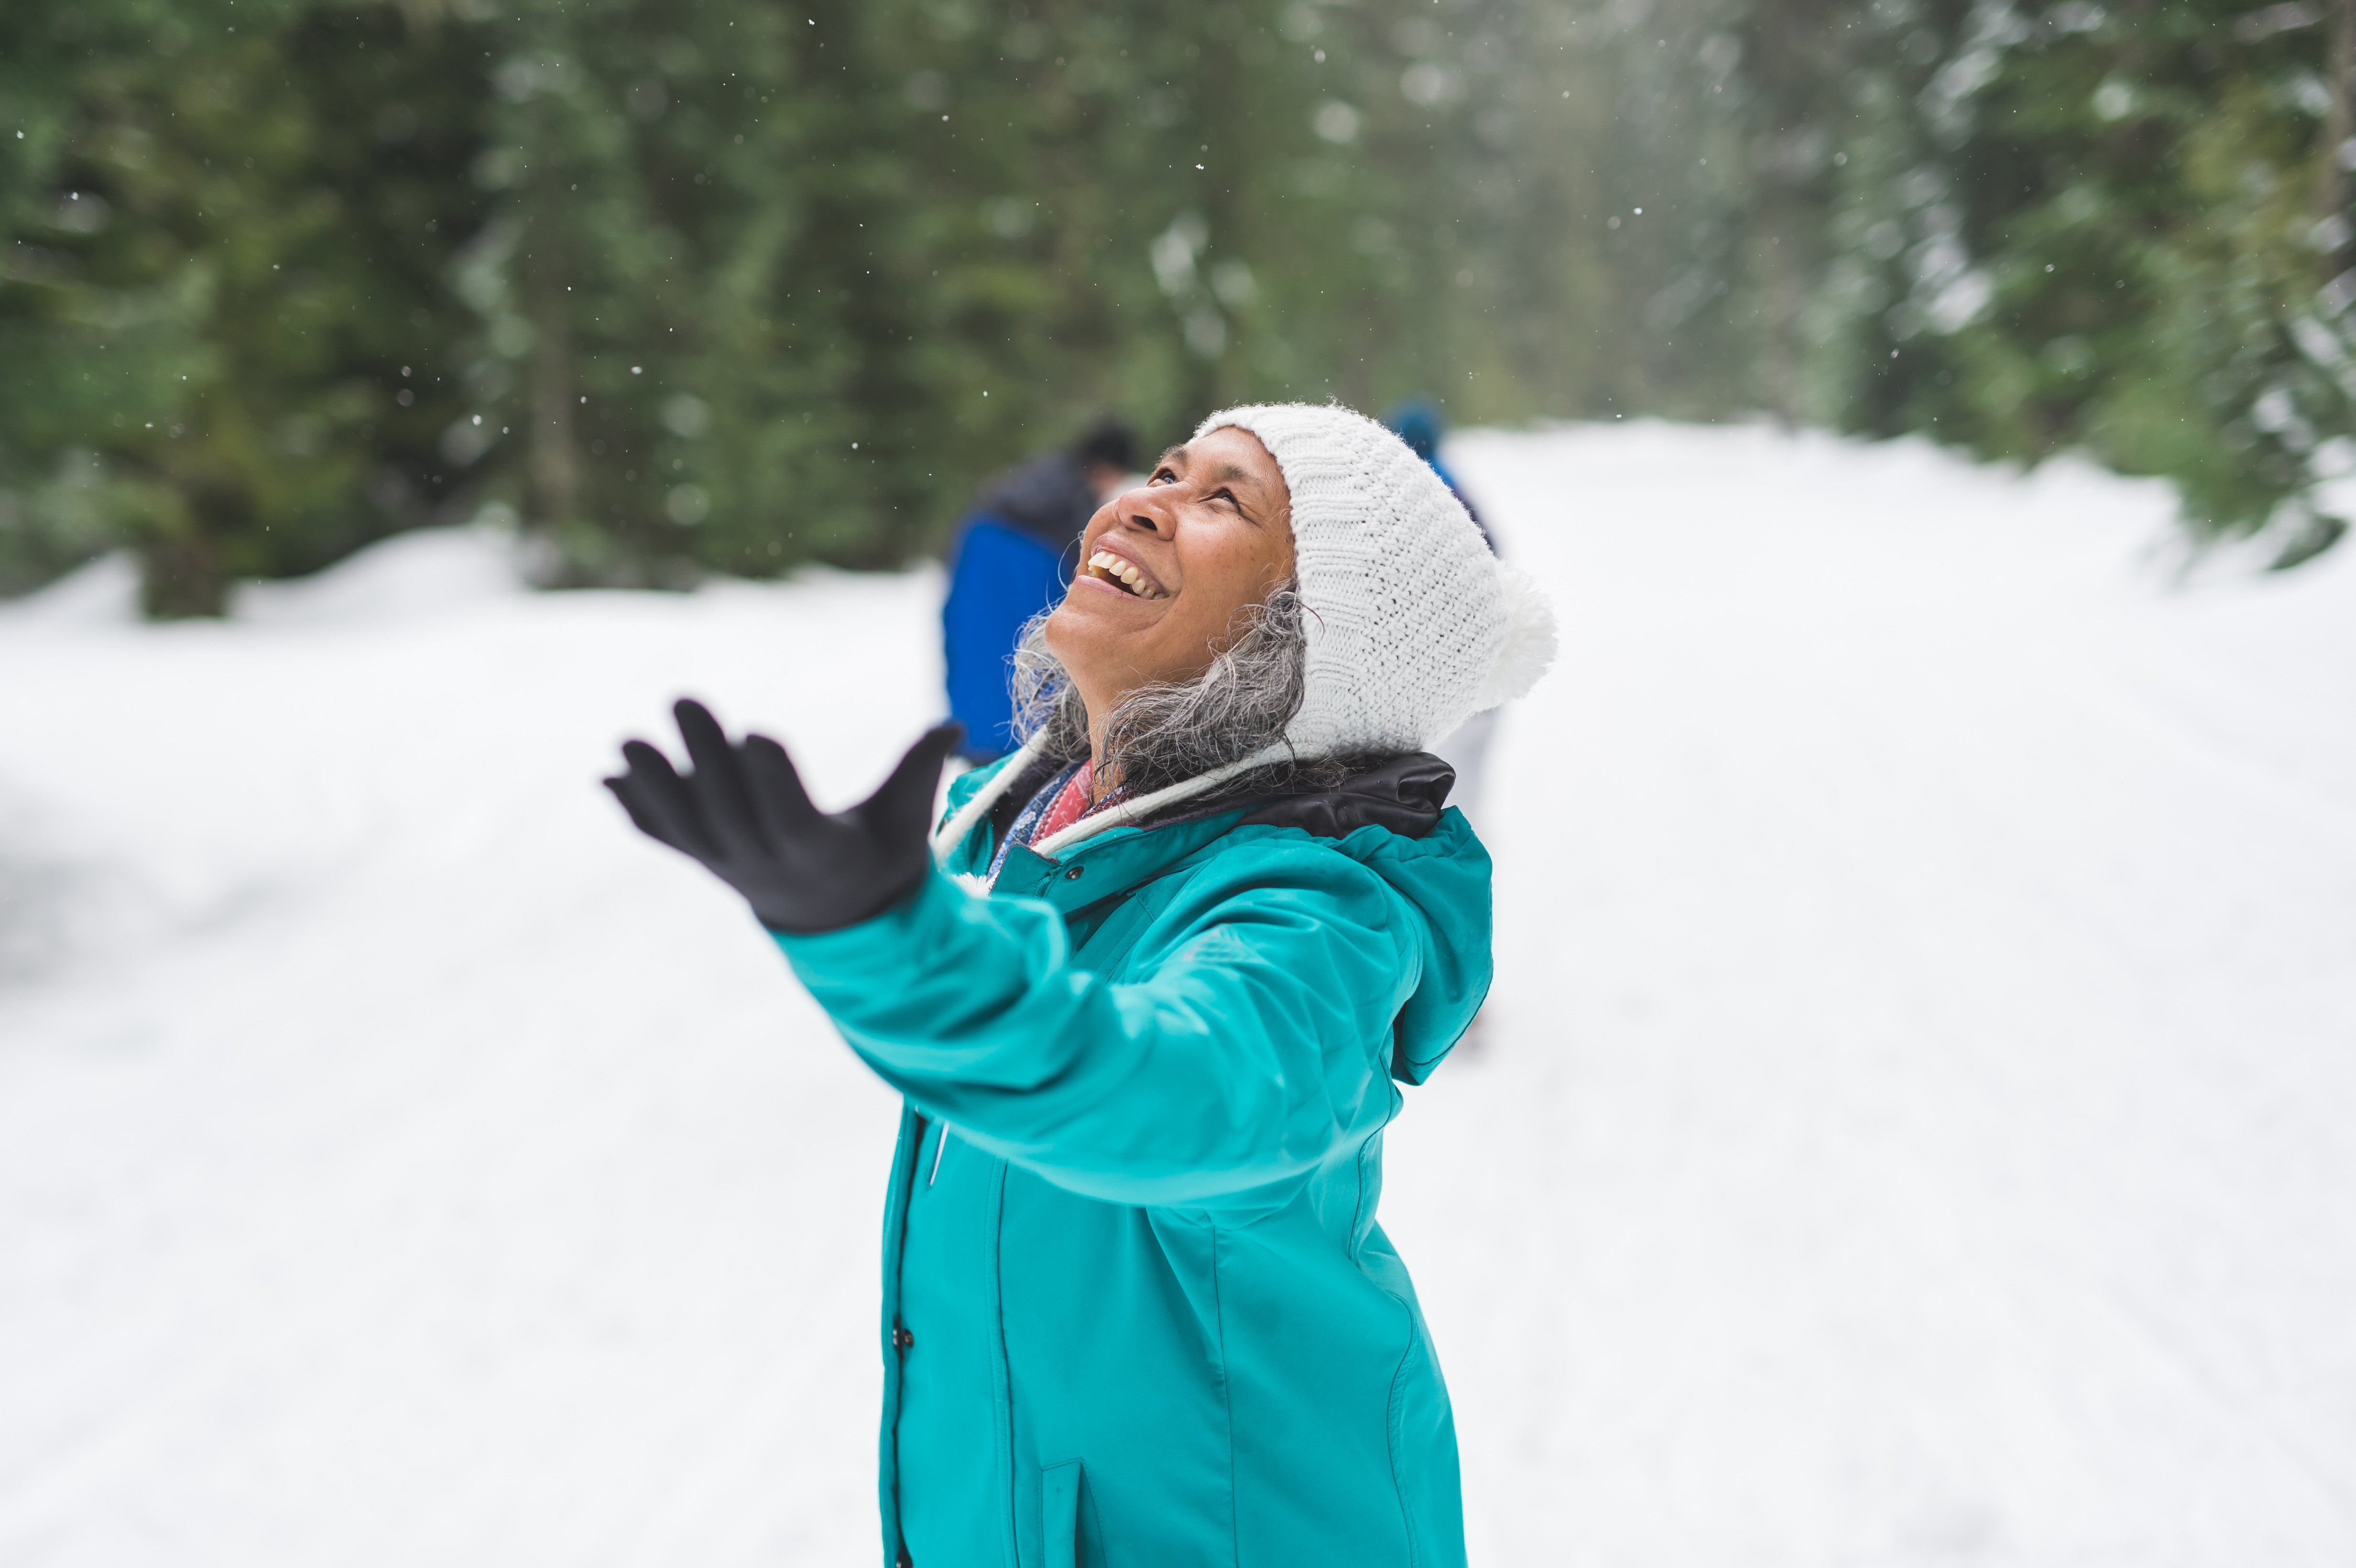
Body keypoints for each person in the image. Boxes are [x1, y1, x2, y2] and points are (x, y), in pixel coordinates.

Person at [604, 403, 1556, 1568]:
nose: (1146, 498)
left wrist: (880, 935)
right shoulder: (1029, 826)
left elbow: (1168, 1086)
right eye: (1168, 468)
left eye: (1225, 500)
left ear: (1311, 639)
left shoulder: (1319, 918)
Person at [941, 415, 1139, 761]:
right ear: (1107, 467)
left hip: (977, 615)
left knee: (982, 676)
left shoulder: (1017, 489)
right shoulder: (1073, 510)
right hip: (1025, 719)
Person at [1385, 396, 1502, 827]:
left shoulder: (1400, 497)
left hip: (1427, 676)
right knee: (1463, 792)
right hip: (1480, 666)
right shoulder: (1456, 490)